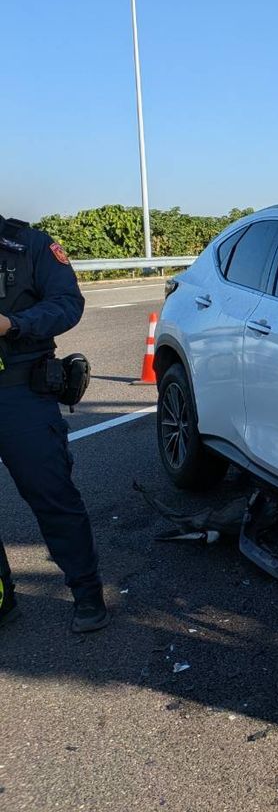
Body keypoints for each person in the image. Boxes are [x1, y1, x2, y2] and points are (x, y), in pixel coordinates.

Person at [0, 214, 107, 632]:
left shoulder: (28, 245)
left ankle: (87, 593)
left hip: (20, 394)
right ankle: (3, 601)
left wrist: (14, 324)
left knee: (52, 496)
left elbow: (67, 304)